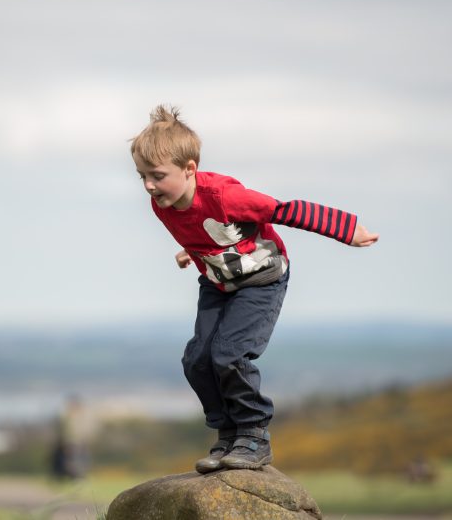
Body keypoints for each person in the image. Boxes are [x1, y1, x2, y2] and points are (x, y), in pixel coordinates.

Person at [130, 105, 379, 473]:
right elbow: (204, 230)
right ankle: (229, 435)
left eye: (157, 175)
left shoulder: (225, 196)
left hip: (261, 280)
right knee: (197, 359)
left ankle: (254, 435)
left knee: (228, 354)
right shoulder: (162, 203)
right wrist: (190, 251)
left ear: (190, 169)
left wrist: (347, 230)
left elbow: (284, 210)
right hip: (218, 282)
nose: (149, 185)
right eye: (142, 176)